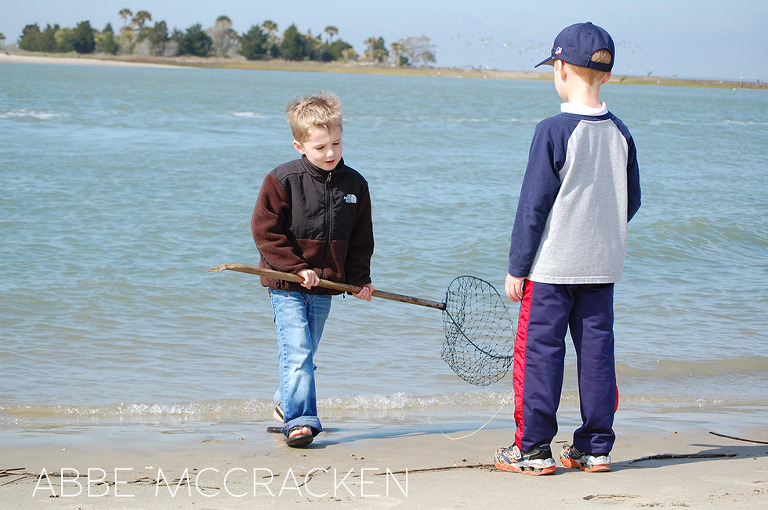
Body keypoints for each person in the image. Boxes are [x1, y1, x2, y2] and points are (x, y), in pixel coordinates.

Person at [494, 22, 641, 475]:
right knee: (597, 355)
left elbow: (532, 207)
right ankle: (594, 447)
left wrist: (518, 266)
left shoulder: (553, 129)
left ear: (560, 68)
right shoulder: (620, 132)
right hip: (602, 267)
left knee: (539, 354)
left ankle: (533, 448)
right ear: (607, 75)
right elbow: (631, 200)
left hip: (552, 268)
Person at [251, 92, 375, 448]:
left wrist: (359, 280)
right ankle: (300, 420)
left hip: (326, 287)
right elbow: (265, 232)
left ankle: (283, 401)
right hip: (286, 284)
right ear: (299, 145)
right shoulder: (282, 180)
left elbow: (360, 239)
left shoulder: (355, 185)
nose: (331, 153)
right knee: (299, 352)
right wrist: (297, 268)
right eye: (320, 147)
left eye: (336, 143)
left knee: (304, 353)